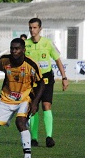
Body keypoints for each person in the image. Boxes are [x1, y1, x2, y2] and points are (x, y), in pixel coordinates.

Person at [0, 38, 44, 158]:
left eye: (17, 48)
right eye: (12, 48)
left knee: (20, 122)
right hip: (7, 97)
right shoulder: (4, 60)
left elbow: (41, 83)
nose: (14, 51)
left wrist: (35, 103)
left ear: (23, 50)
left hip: (25, 98)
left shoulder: (31, 64)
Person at [25, 18, 69, 148]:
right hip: (32, 80)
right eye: (30, 28)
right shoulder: (25, 44)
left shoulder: (48, 43)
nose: (32, 30)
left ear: (40, 29)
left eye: (34, 28)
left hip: (46, 78)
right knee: (33, 108)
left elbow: (58, 60)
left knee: (46, 106)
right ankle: (34, 138)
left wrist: (64, 77)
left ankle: (49, 137)